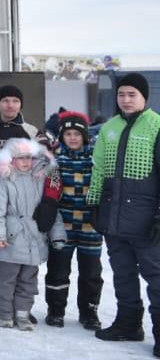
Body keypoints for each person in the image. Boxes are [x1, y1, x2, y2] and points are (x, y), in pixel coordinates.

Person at [87, 73, 160, 356]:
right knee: (123, 275)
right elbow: (98, 169)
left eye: (132, 94)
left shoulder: (156, 126)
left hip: (147, 221)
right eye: (122, 95)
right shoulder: (109, 128)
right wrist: (94, 203)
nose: (126, 100)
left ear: (144, 97)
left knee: (156, 278)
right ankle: (128, 325)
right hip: (114, 218)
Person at [0, 84, 48, 321]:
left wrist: (47, 203)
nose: (10, 105)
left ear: (21, 104)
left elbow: (45, 169)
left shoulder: (31, 131)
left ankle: (20, 308)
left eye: (15, 100)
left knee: (21, 262)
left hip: (21, 210)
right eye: (5, 101)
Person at [0, 138, 65, 330]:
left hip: (34, 239)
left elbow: (51, 210)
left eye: (29, 157)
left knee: (28, 282)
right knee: (6, 280)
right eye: (20, 158)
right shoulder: (3, 180)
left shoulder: (39, 178)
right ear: (10, 160)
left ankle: (23, 314)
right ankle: (5, 314)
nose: (25, 162)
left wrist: (57, 235)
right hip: (12, 238)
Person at [46, 111, 102, 330]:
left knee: (91, 273)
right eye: (67, 133)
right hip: (63, 225)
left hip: (90, 225)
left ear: (85, 136)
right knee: (58, 270)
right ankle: (56, 310)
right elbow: (51, 191)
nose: (72, 138)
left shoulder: (96, 160)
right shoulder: (55, 160)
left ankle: (89, 312)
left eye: (76, 134)